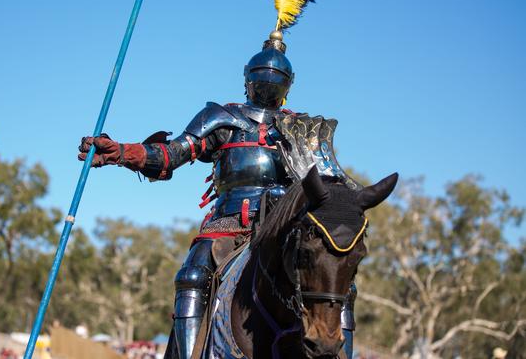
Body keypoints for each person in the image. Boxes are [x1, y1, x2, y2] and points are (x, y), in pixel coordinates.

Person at [78, 31, 357, 359]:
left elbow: (331, 187)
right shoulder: (223, 118)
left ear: (287, 85)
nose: (267, 85)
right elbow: (172, 155)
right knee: (193, 276)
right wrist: (123, 152)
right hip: (228, 222)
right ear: (248, 79)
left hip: (284, 226)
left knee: (340, 286)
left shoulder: (302, 129)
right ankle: (189, 354)